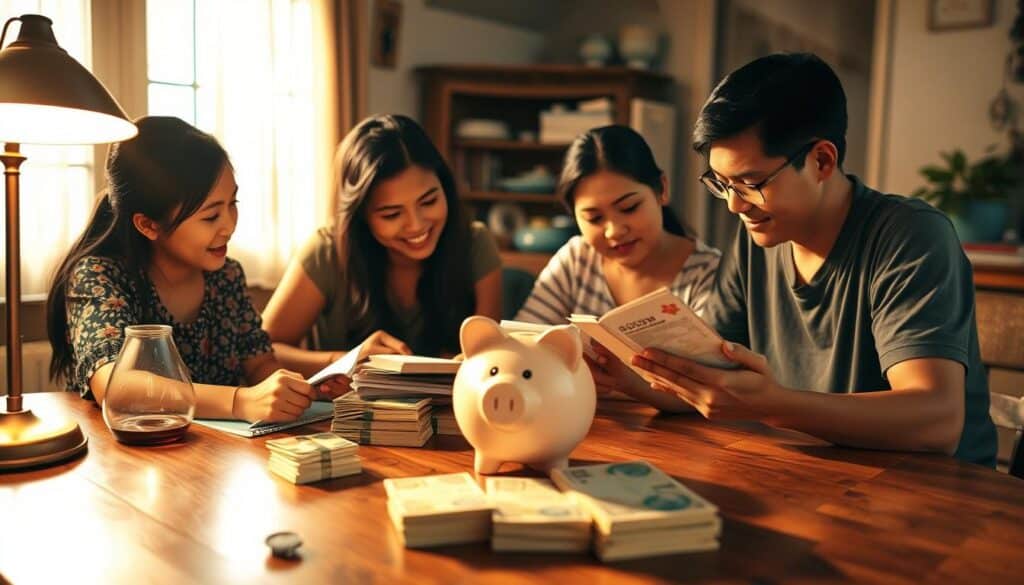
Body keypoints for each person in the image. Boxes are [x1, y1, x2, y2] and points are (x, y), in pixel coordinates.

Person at [629, 53, 997, 466]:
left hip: (938, 498)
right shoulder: (759, 234)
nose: (734, 205)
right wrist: (615, 370)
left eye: (750, 182)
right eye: (722, 183)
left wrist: (772, 405)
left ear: (822, 160)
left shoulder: (909, 236)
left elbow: (936, 422)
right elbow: (711, 377)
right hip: (817, 477)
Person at [47, 116, 318, 423]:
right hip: (123, 456)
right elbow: (115, 386)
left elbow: (258, 364)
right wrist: (238, 402)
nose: (229, 226)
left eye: (233, 203)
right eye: (210, 216)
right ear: (148, 225)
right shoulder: (99, 277)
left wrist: (295, 390)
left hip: (210, 454)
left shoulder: (226, 276)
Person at [262, 114, 502, 391]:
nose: (416, 225)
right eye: (391, 214)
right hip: (343, 424)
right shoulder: (326, 253)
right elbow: (261, 353)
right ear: (361, 216)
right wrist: (345, 361)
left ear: (445, 187)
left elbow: (490, 355)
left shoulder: (475, 243)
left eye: (429, 201)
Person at [515, 125, 720, 411]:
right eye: (594, 218)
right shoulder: (577, 259)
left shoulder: (708, 272)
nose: (614, 231)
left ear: (661, 189)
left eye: (629, 208)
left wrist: (628, 383)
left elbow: (713, 390)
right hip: (585, 428)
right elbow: (524, 342)